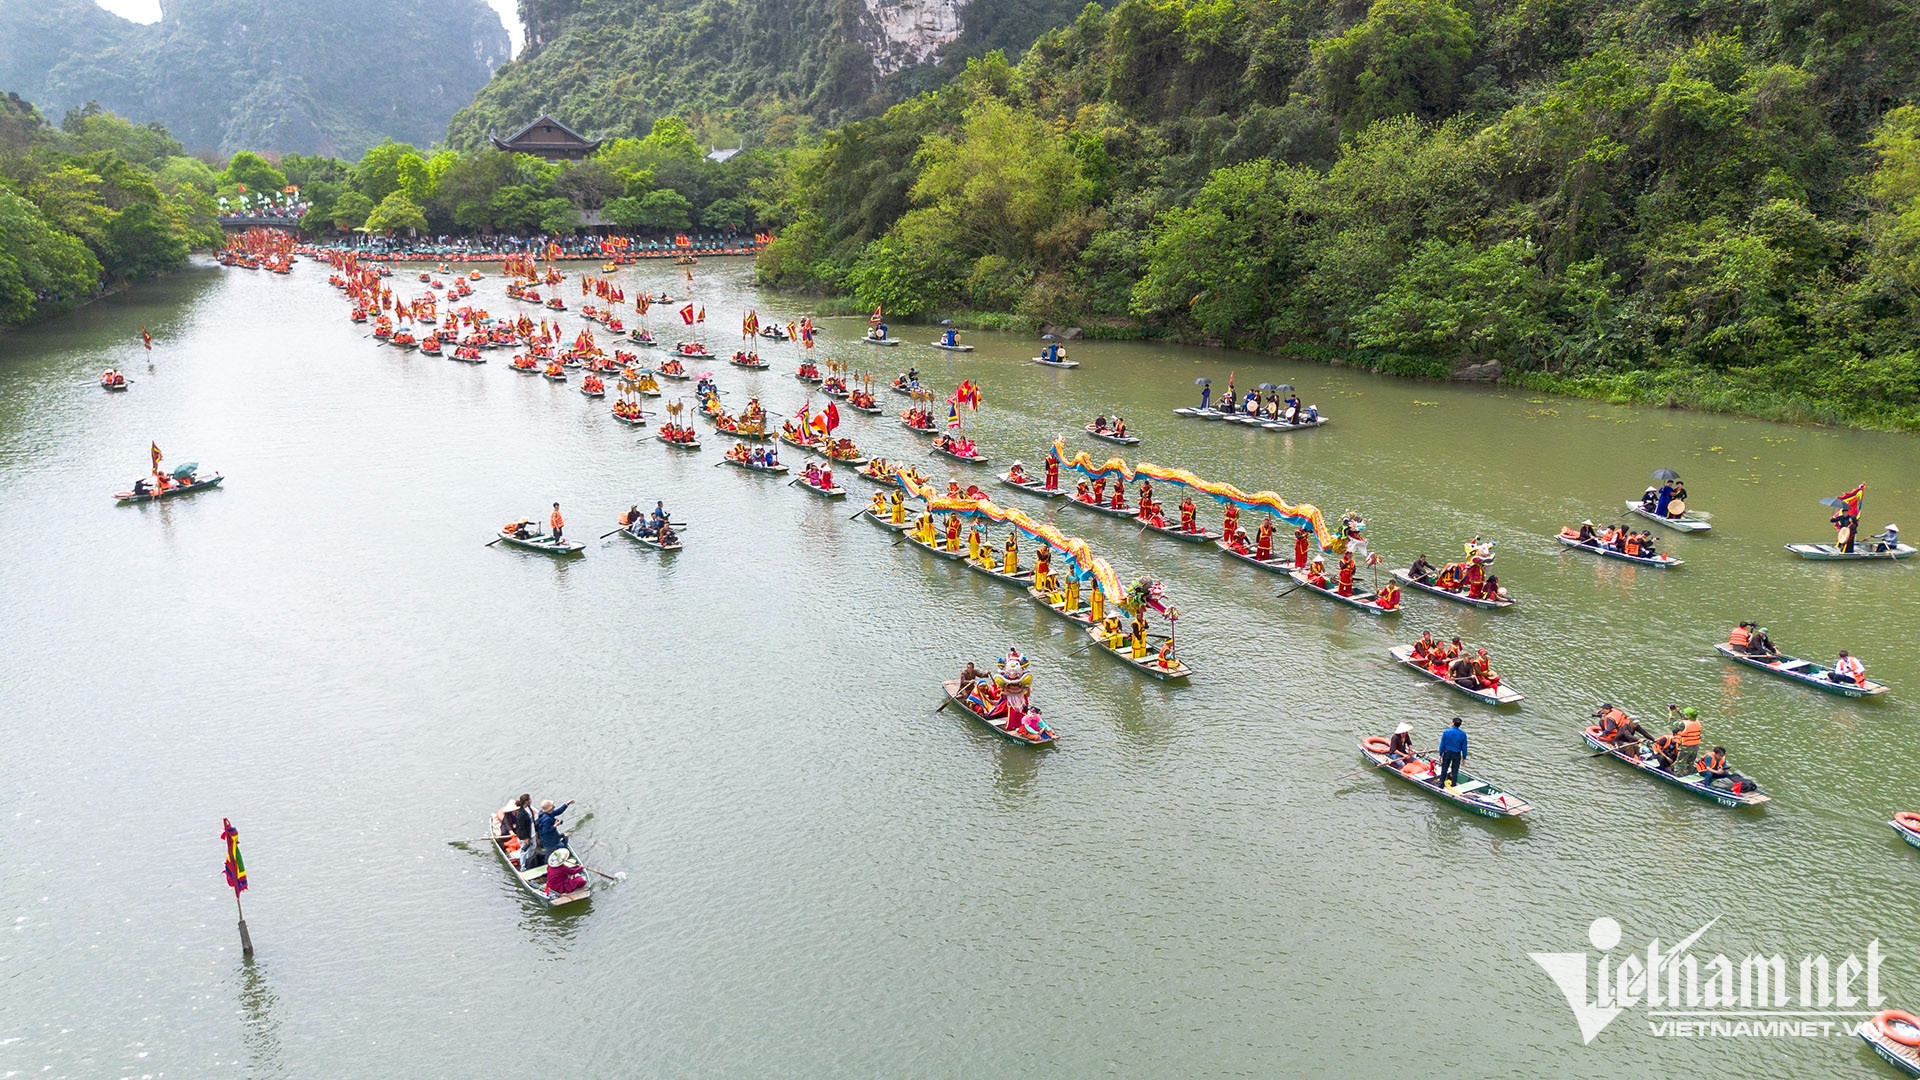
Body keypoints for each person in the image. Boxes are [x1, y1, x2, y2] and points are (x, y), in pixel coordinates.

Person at [500, 794, 534, 865]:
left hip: (519, 827)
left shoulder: (521, 812)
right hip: (511, 828)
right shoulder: (508, 815)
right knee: (504, 833)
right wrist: (511, 831)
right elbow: (507, 823)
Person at [1669, 706, 1702, 774]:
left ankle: (1678, 775)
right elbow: (1687, 718)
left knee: (1680, 762)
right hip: (1696, 745)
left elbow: (1672, 721)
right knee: (1690, 761)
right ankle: (1689, 773)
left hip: (1686, 746)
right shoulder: (1697, 722)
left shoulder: (1683, 724)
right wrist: (1678, 711)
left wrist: (1670, 712)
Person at [1436, 719, 1467, 788]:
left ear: (1452, 723)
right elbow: (1464, 747)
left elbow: (1442, 744)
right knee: (1455, 770)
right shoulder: (1463, 734)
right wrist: (1464, 758)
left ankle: (1441, 783)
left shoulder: (1446, 732)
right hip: (1456, 754)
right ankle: (1453, 784)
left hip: (1447, 753)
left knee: (1444, 768)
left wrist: (1440, 754)